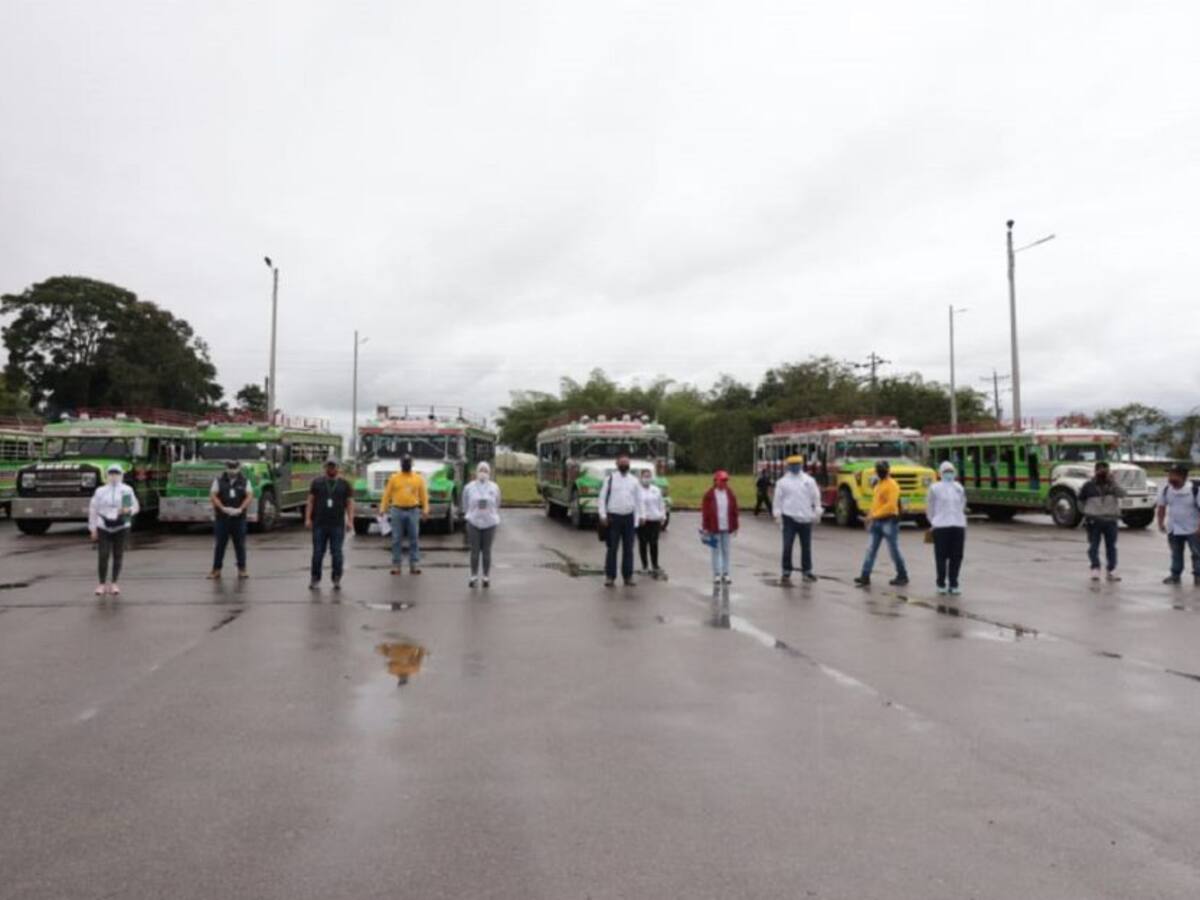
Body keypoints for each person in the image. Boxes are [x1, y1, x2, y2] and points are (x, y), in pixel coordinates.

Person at [854, 460, 909, 587]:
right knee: (870, 550)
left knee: (893, 550)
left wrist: (872, 516)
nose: (880, 471)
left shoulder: (892, 485)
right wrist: (869, 516)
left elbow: (890, 506)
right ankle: (865, 576)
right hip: (877, 521)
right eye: (879, 469)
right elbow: (875, 504)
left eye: (882, 469)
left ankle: (902, 575)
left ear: (888, 470)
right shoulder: (878, 485)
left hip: (889, 520)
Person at [88, 463, 140, 596]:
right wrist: (93, 529)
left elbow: (135, 507)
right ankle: (101, 584)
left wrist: (128, 511)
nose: (114, 476)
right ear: (106, 475)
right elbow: (93, 510)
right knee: (103, 555)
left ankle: (114, 583)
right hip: (103, 526)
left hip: (121, 526)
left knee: (118, 555)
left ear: (121, 474)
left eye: (116, 473)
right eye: (111, 473)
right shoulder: (100, 491)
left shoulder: (126, 490)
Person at [306, 456, 354, 590]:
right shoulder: (316, 482)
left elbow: (349, 504)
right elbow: (310, 501)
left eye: (333, 466)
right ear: (325, 467)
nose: (331, 468)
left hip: (337, 524)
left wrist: (350, 521)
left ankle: (336, 577)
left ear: (338, 468)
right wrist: (308, 518)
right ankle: (315, 578)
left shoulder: (345, 484)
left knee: (337, 552)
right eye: (329, 466)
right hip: (319, 523)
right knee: (317, 552)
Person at [772, 454, 822, 584]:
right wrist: (777, 514)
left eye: (797, 465)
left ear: (801, 465)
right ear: (788, 466)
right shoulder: (782, 482)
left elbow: (815, 496)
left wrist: (817, 510)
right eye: (792, 465)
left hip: (806, 517)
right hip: (789, 518)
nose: (795, 467)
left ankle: (807, 571)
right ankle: (786, 571)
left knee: (806, 547)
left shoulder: (809, 480)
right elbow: (777, 500)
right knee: (787, 545)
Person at [597, 452, 641, 587]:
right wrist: (603, 515)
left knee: (628, 549)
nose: (624, 465)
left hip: (629, 518)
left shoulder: (634, 480)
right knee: (612, 548)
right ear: (616, 464)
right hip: (613, 518)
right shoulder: (609, 479)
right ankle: (610, 576)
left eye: (626, 463)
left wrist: (637, 520)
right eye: (622, 463)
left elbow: (638, 501)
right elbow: (602, 499)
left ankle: (628, 576)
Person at [380, 456, 429, 576]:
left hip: (413, 510)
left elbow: (424, 495)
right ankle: (396, 565)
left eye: (408, 463)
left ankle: (414, 564)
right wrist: (383, 509)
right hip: (397, 510)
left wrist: (425, 509)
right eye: (404, 463)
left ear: (411, 464)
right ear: (401, 464)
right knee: (396, 539)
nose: (406, 465)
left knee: (414, 538)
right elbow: (387, 495)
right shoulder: (394, 478)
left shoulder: (418, 478)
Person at [926, 460, 968, 595]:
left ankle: (954, 583)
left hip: (958, 525)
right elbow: (930, 507)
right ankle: (940, 583)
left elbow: (962, 504)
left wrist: (958, 517)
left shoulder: (959, 487)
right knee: (941, 557)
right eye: (946, 471)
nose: (949, 474)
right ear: (940, 473)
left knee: (957, 556)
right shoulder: (935, 488)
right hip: (941, 526)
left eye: (951, 471)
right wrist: (934, 521)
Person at [208, 459, 253, 580]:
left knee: (240, 545)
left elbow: (249, 496)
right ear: (226, 469)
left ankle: (242, 569)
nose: (232, 471)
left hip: (239, 519)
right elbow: (213, 495)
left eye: (234, 469)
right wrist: (222, 508)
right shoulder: (218, 481)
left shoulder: (244, 481)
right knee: (220, 545)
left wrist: (241, 509)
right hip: (222, 518)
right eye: (230, 469)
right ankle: (216, 570)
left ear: (239, 469)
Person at [1079, 460, 1125, 581]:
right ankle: (1095, 569)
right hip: (1094, 521)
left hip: (1111, 521)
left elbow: (1123, 494)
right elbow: (1080, 500)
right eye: (1100, 470)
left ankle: (1111, 570)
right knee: (1093, 546)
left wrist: (1113, 482)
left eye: (1105, 470)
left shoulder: (1113, 485)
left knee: (1111, 547)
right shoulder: (1088, 486)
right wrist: (1086, 513)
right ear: (1095, 471)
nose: (1103, 473)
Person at [1155, 463, 1200, 585]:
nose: (1171, 478)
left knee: (1197, 554)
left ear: (1184, 476)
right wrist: (1160, 523)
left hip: (1193, 529)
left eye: (1174, 475)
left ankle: (1198, 576)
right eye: (1170, 474)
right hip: (1174, 529)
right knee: (1176, 554)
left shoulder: (1194, 490)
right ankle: (1175, 576)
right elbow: (1161, 507)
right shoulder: (1166, 490)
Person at [462, 461, 501, 588]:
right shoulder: (469, 487)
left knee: (487, 551)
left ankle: (486, 576)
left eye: (485, 471)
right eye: (481, 470)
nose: (483, 473)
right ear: (476, 472)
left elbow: (497, 504)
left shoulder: (494, 487)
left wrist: (490, 514)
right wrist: (471, 515)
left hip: (490, 522)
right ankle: (473, 576)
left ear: (489, 472)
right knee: (474, 551)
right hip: (473, 522)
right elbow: (465, 504)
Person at [700, 470, 740, 584]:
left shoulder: (730, 493)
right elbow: (705, 512)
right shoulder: (709, 495)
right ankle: (717, 574)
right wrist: (705, 527)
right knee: (715, 551)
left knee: (726, 550)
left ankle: (726, 573)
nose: (724, 483)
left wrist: (736, 525)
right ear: (716, 481)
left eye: (726, 480)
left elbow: (734, 510)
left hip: (726, 527)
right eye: (722, 480)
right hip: (714, 527)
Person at [636, 469, 667, 576]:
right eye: (645, 476)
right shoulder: (637, 491)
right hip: (643, 521)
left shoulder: (656, 490)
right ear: (640, 478)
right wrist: (639, 517)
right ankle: (645, 566)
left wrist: (663, 516)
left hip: (655, 520)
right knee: (643, 543)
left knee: (654, 543)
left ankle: (655, 565)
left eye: (649, 476)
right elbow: (636, 506)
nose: (647, 479)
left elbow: (661, 504)